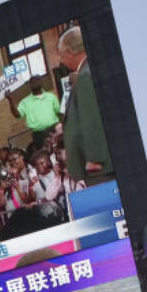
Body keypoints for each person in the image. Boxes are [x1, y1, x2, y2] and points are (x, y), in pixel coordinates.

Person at [57, 26, 113, 184]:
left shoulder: (85, 76)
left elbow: (92, 118)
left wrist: (94, 157)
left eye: (61, 55)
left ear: (70, 51)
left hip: (100, 169)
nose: (61, 61)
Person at [8, 76, 63, 153]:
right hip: (39, 135)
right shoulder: (25, 102)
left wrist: (62, 126)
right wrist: (11, 100)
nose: (34, 83)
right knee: (45, 154)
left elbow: (60, 112)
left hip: (54, 129)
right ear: (29, 85)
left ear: (41, 82)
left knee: (60, 150)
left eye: (36, 80)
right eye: (32, 82)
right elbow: (17, 114)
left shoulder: (51, 97)